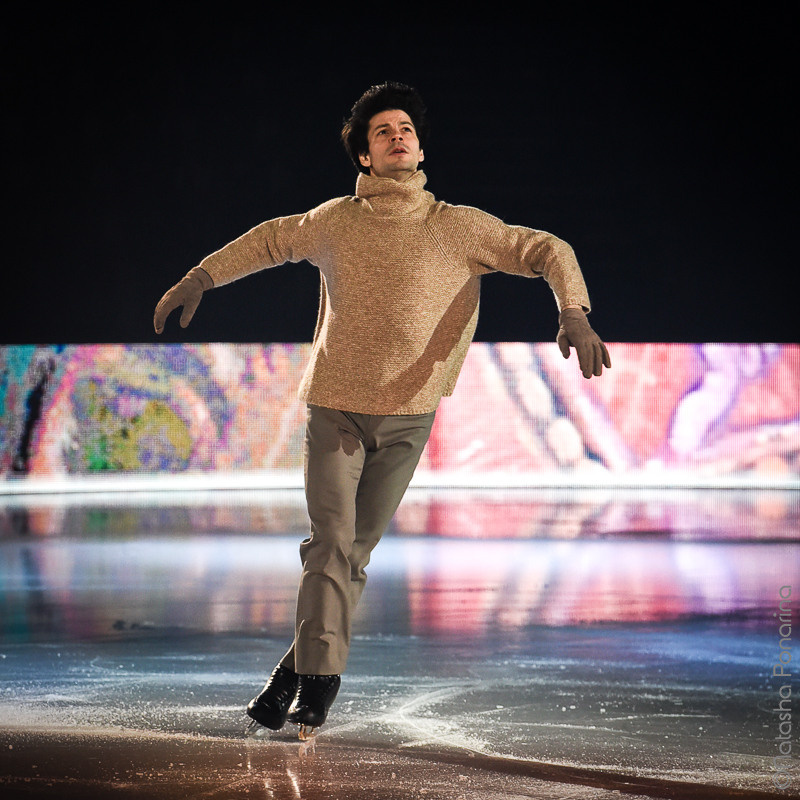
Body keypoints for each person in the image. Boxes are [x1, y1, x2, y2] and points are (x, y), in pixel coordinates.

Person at [153, 81, 611, 739]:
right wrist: (202, 276)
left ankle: (293, 673)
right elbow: (267, 241)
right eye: (381, 131)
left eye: (405, 128)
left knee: (352, 555)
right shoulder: (336, 220)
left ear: (420, 146)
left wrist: (573, 308)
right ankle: (320, 686)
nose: (397, 135)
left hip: (409, 416)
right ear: (364, 157)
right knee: (331, 546)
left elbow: (548, 250)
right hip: (336, 409)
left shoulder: (459, 226)